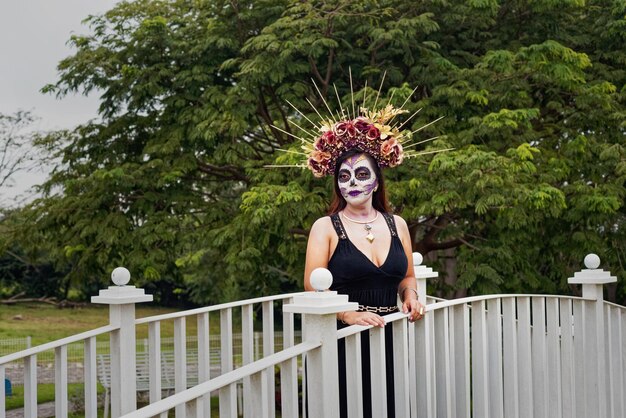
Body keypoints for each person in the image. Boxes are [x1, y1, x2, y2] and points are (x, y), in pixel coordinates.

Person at [300, 102, 426, 418]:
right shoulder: (325, 228)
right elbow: (312, 286)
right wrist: (348, 313)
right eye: (344, 176)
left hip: (390, 339)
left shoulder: (397, 225)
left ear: (376, 180)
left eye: (361, 174)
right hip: (342, 342)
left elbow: (407, 276)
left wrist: (410, 296)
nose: (353, 183)